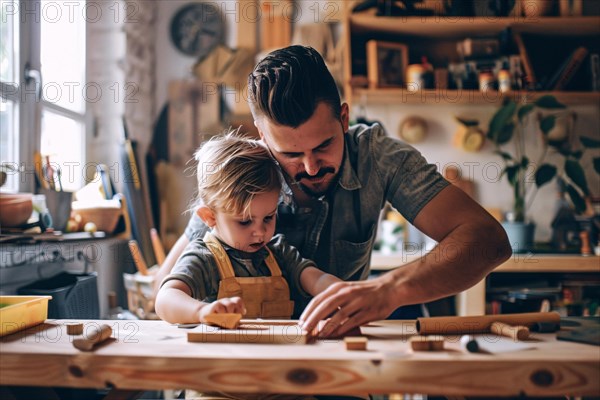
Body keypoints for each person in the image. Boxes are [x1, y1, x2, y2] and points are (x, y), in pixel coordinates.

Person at [155, 45, 512, 337]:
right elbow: (165, 287)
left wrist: (389, 289)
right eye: (291, 154)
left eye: (324, 145)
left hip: (335, 353)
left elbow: (487, 241)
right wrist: (203, 310)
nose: (310, 167)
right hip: (242, 360)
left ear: (344, 119)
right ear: (263, 139)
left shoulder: (381, 157)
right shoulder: (242, 173)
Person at [155, 133, 341, 324]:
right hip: (225, 354)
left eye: (268, 217)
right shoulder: (204, 258)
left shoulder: (279, 254)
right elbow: (165, 299)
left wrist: (342, 293)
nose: (260, 232)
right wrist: (202, 312)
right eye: (244, 222)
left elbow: (316, 280)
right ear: (210, 217)